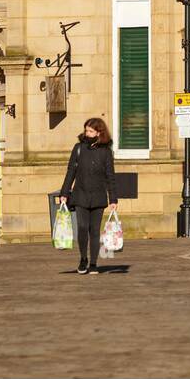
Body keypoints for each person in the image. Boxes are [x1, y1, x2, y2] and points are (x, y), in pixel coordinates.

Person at [60, 117, 118, 273]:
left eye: (91, 131)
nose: (87, 133)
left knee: (94, 230)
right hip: (80, 195)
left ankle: (93, 263)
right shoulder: (78, 148)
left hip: (98, 196)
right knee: (82, 227)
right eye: (86, 130)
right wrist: (64, 192)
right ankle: (83, 259)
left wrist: (113, 198)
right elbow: (71, 172)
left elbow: (110, 176)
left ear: (99, 132)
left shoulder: (106, 152)